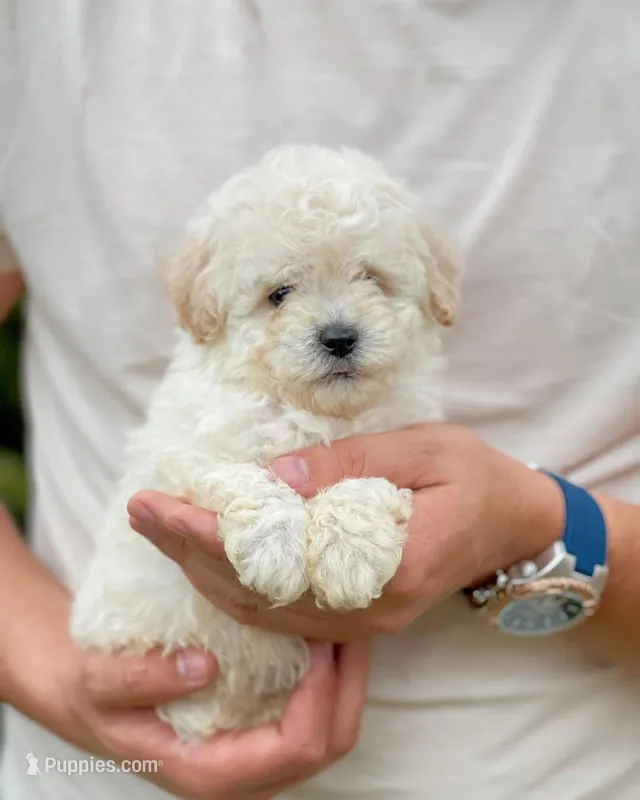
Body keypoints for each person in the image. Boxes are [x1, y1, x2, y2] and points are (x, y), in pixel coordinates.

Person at [1, 1, 639, 798]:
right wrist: (52, 677)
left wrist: (537, 526)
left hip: (557, 771)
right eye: (278, 293)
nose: (337, 328)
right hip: (99, 765)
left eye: (372, 279)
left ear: (429, 285)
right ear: (212, 306)